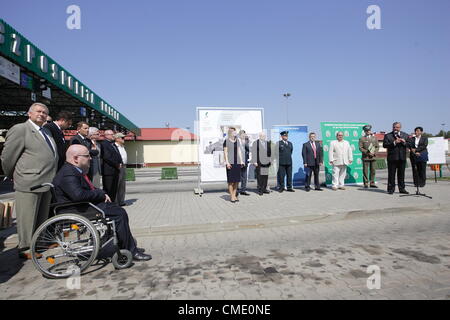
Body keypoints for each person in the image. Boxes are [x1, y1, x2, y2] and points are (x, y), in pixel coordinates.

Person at [52, 145, 151, 261]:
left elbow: (87, 189)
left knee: (116, 209)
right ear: (76, 158)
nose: (90, 158)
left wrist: (101, 193)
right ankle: (131, 250)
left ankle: (127, 245)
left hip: (80, 206)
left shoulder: (73, 170)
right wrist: (100, 194)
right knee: (119, 213)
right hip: (75, 209)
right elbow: (78, 195)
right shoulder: (68, 173)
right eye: (87, 156)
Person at [1, 103, 58, 260]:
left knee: (41, 216)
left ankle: (39, 242)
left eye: (45, 112)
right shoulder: (20, 129)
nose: (42, 114)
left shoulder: (46, 131)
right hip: (29, 181)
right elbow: (8, 157)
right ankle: (25, 247)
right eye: (38, 111)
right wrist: (12, 174)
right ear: (29, 113)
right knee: (27, 217)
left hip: (46, 181)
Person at [383, 122, 409, 195]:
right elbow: (385, 145)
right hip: (392, 158)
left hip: (402, 158)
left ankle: (402, 189)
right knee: (391, 175)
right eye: (394, 127)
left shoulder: (405, 135)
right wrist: (394, 142)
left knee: (401, 174)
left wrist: (404, 142)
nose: (395, 128)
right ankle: (391, 189)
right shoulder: (388, 135)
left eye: (397, 127)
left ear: (400, 127)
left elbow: (409, 144)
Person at [101, 130, 123, 203]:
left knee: (114, 189)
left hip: (115, 170)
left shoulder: (113, 144)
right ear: (106, 135)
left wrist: (120, 162)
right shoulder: (104, 144)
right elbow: (107, 157)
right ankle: (108, 205)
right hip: (108, 171)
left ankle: (113, 204)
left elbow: (117, 155)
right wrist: (116, 164)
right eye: (112, 134)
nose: (113, 136)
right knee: (108, 189)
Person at [223, 127, 244, 203]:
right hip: (230, 163)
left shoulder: (237, 140)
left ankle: (234, 195)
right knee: (231, 181)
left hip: (237, 162)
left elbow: (239, 151)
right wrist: (227, 162)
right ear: (230, 133)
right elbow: (225, 153)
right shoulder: (226, 141)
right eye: (233, 132)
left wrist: (241, 160)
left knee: (237, 181)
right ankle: (232, 196)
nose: (235, 133)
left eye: (235, 132)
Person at [251, 132, 272, 196]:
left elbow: (269, 152)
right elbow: (253, 152)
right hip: (259, 162)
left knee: (265, 176)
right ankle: (260, 190)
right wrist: (254, 161)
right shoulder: (255, 143)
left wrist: (270, 160)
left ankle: (264, 188)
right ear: (260, 136)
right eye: (263, 136)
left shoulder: (267, 143)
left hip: (266, 162)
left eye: (265, 136)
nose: (264, 137)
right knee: (260, 176)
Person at [114, 132, 128, 206]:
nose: (123, 139)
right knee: (117, 184)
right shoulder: (114, 146)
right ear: (117, 139)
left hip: (124, 166)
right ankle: (116, 202)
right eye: (122, 138)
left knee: (122, 185)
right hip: (118, 166)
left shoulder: (122, 146)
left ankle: (121, 201)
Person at [238, 130, 250, 196]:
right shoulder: (237, 140)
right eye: (243, 134)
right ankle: (236, 190)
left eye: (244, 134)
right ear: (240, 135)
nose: (244, 135)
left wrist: (246, 142)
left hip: (245, 160)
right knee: (237, 176)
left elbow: (248, 149)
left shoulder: (246, 141)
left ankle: (243, 190)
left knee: (244, 176)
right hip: (238, 160)